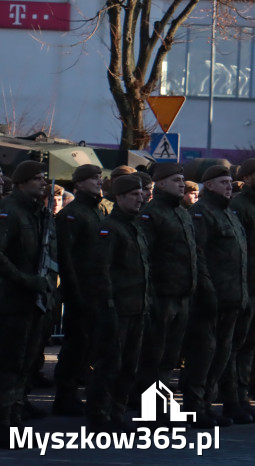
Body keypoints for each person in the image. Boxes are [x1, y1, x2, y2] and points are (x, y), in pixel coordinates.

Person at [183, 164, 248, 428]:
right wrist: (207, 292)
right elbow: (198, 256)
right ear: (208, 185)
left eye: (230, 182)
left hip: (232, 297)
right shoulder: (201, 213)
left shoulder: (229, 214)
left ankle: (206, 405)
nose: (229, 186)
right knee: (203, 356)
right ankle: (194, 408)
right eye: (223, 182)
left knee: (221, 355)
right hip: (211, 299)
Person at [84, 173, 148, 432]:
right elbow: (101, 272)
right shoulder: (109, 228)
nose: (140, 199)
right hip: (117, 309)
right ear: (119, 197)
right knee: (109, 366)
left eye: (141, 194)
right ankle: (99, 417)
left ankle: (117, 415)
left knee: (128, 368)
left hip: (136, 308)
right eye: (133, 195)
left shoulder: (135, 226)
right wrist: (108, 308)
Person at [136, 163, 200, 404]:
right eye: (176, 180)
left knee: (170, 357)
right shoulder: (151, 214)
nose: (182, 184)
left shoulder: (182, 212)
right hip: (161, 296)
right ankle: (152, 411)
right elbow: (146, 258)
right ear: (160, 184)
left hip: (182, 295)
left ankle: (160, 407)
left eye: (183, 180)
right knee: (154, 356)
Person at [0, 160, 55, 442]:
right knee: (9, 366)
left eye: (43, 178)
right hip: (11, 302)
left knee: (23, 366)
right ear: (21, 183)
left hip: (32, 301)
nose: (42, 182)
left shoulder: (38, 213)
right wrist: (26, 280)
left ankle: (14, 418)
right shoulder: (10, 212)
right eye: (36, 179)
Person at [53, 163, 106, 417]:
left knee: (88, 344)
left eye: (99, 177)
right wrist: (74, 292)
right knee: (76, 344)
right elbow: (67, 257)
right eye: (93, 178)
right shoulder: (72, 214)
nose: (98, 181)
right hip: (81, 289)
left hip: (97, 289)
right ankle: (65, 395)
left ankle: (73, 391)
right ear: (80, 183)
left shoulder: (98, 210)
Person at [225, 158, 255, 424]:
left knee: (250, 347)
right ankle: (233, 400)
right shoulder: (240, 206)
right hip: (246, 289)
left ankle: (242, 398)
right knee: (237, 346)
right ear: (246, 178)